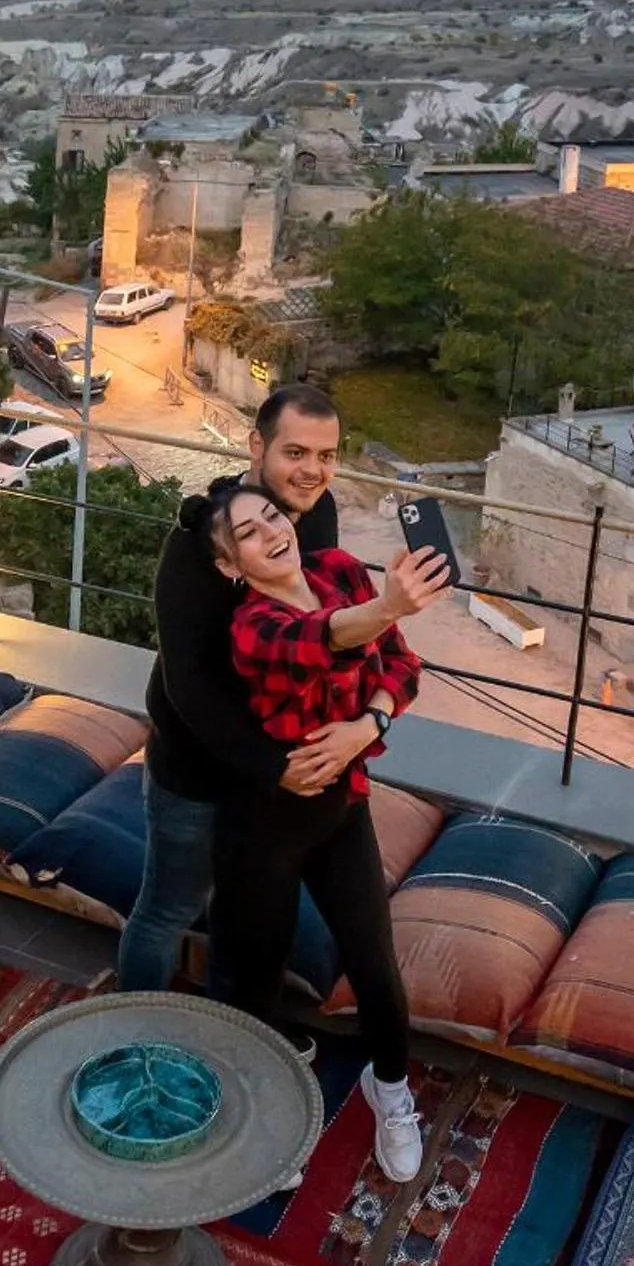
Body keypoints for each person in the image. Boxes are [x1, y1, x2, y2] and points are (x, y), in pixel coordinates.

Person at [209, 479, 447, 1180]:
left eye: (272, 516)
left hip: (342, 809)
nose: (272, 531)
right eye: (248, 533)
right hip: (264, 826)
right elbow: (324, 638)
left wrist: (363, 728)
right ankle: (264, 1120)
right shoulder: (251, 625)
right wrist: (386, 607)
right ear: (231, 565)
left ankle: (392, 1090)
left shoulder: (339, 570)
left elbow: (403, 665)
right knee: (257, 981)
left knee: (375, 964)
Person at [120, 384, 363, 992]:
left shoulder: (319, 515)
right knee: (168, 910)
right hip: (202, 768)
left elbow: (323, 632)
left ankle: (227, 1033)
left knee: (241, 914)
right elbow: (188, 684)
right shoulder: (197, 544)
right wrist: (272, 764)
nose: (312, 471)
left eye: (327, 456)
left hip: (275, 770)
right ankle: (127, 1028)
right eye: (296, 453)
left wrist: (360, 726)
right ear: (258, 446)